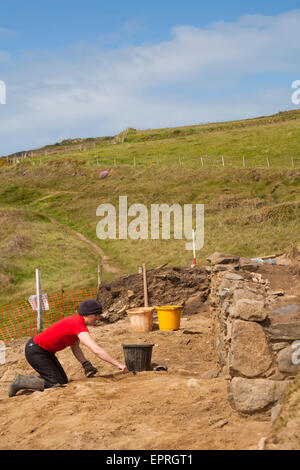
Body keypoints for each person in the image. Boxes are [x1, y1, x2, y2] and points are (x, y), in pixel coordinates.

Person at [8, 299, 128, 397]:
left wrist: (85, 363)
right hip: (36, 350)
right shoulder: (77, 325)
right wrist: (118, 364)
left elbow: (75, 348)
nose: (98, 317)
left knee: (63, 381)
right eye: (96, 315)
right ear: (86, 314)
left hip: (45, 352)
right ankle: (21, 381)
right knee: (55, 383)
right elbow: (96, 350)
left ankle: (33, 382)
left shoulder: (77, 323)